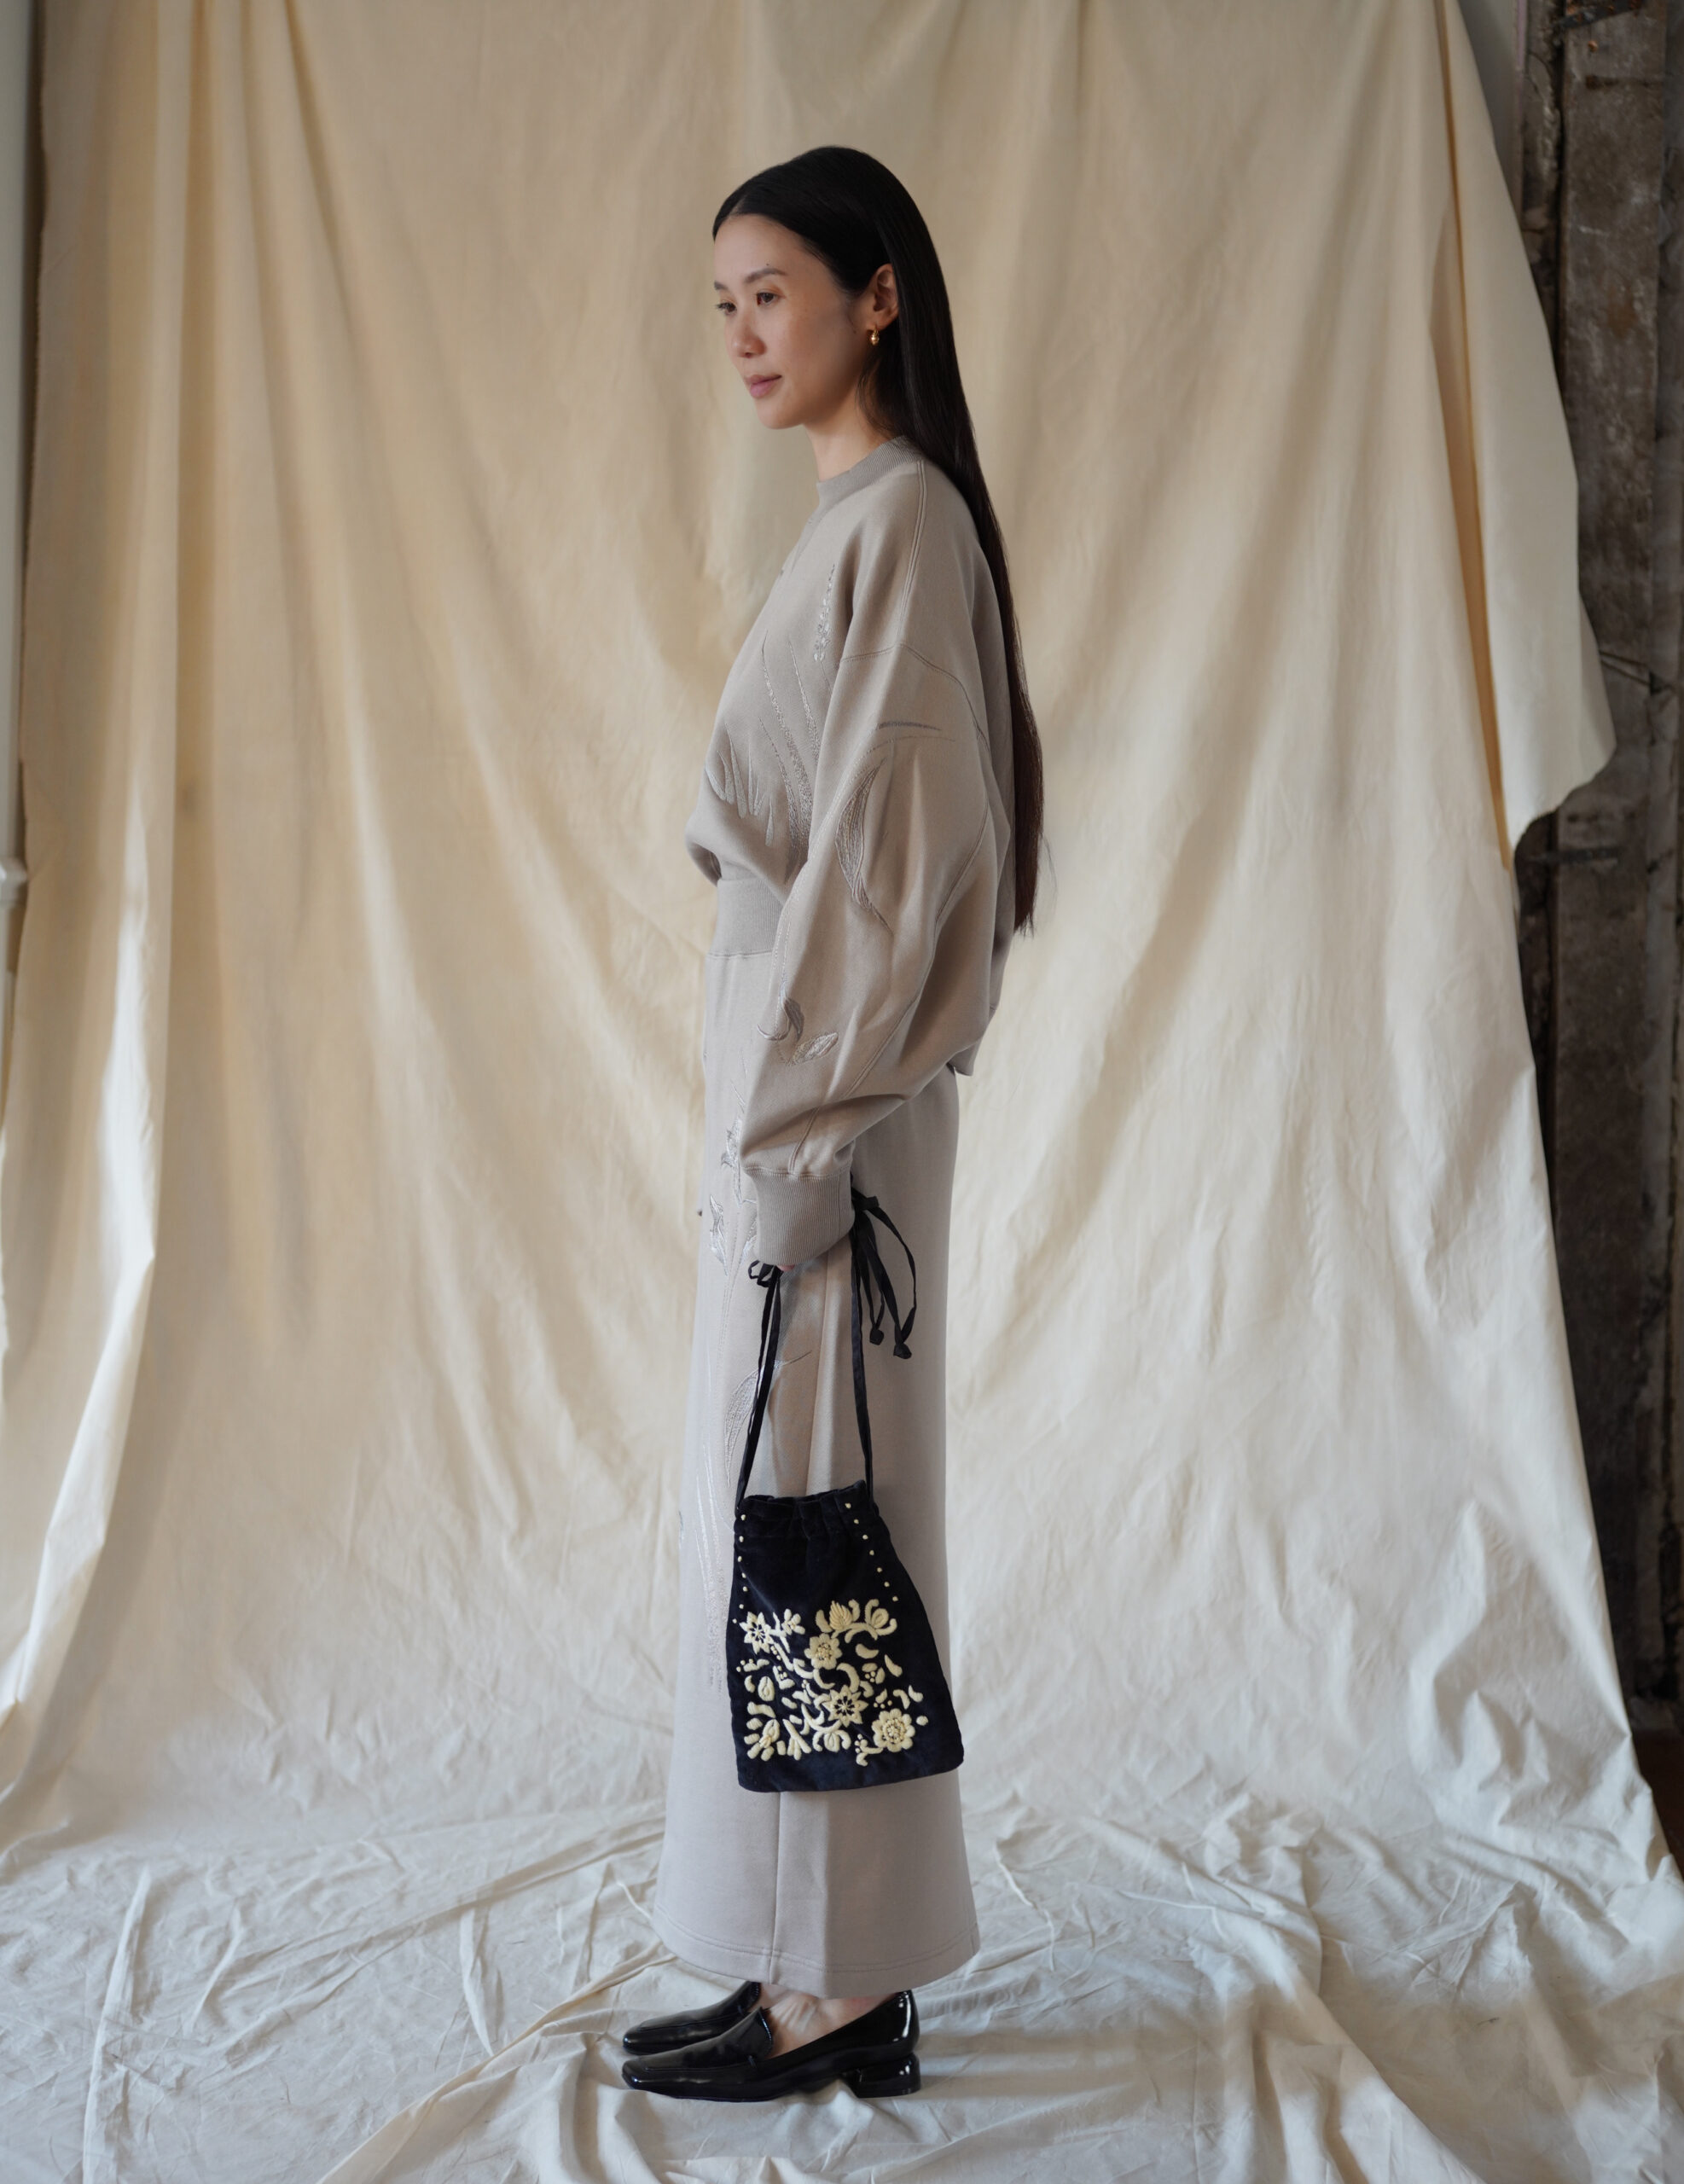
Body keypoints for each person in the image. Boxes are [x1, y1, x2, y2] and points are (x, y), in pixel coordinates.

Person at [621, 145, 1043, 2104]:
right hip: (801, 1102)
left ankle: (836, 1982)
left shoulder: (908, 525)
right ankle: (810, 1954)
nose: (740, 333)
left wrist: (793, 1144)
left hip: (830, 1121)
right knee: (790, 1533)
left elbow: (892, 865)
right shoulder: (864, 523)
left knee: (815, 1534)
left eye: (771, 292)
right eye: (721, 303)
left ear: (879, 298)